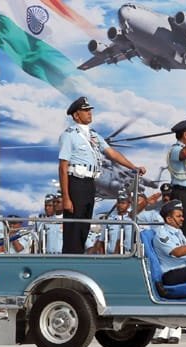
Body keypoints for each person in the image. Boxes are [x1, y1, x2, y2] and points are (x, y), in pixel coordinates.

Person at [58, 96, 146, 254]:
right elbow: (63, 166)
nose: (89, 113)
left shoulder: (93, 135)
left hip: (90, 182)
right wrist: (66, 197)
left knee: (84, 223)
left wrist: (133, 167)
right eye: (85, 110)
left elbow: (112, 153)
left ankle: (78, 254)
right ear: (76, 115)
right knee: (74, 224)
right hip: (76, 182)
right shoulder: (69, 135)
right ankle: (70, 256)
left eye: (89, 110)